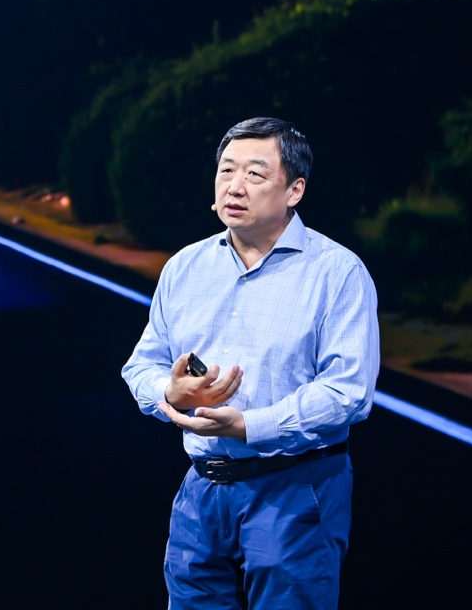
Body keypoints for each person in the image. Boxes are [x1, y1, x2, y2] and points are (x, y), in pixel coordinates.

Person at [121, 116, 379, 609]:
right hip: (202, 487)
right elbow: (141, 365)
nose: (234, 186)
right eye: (226, 170)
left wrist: (249, 426)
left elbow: (348, 391)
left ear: (294, 190)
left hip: (296, 485)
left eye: (255, 174)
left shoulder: (337, 272)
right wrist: (169, 393)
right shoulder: (185, 266)